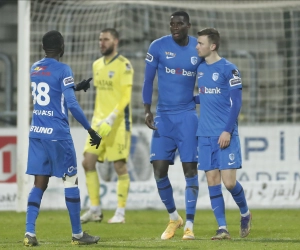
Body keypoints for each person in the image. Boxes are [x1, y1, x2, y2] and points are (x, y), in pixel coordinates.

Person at [24, 30, 102, 247]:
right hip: (58, 135)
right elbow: (72, 104)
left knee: (39, 182)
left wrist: (75, 87)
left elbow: (51, 91)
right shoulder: (63, 68)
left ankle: (29, 233)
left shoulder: (35, 68)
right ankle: (77, 235)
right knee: (71, 180)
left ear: (43, 48)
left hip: (37, 133)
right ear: (62, 48)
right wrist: (90, 129)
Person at [142, 11, 201, 240]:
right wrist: (147, 110)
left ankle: (190, 225)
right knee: (158, 169)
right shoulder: (157, 46)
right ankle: (174, 217)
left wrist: (195, 100)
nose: (174, 27)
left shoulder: (198, 49)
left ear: (188, 25)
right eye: (172, 24)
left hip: (187, 117)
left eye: (179, 24)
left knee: (190, 171)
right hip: (163, 117)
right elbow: (148, 80)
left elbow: (207, 83)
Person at [195, 27, 252, 240]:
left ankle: (245, 213)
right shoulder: (200, 68)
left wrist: (227, 130)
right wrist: (190, 100)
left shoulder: (230, 69)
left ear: (213, 46)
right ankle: (222, 228)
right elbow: (207, 95)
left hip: (224, 134)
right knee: (212, 181)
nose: (197, 46)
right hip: (205, 135)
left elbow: (236, 102)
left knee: (229, 183)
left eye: (200, 43)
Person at [80, 28, 133, 224]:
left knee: (119, 166)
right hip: (98, 125)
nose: (101, 42)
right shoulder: (96, 65)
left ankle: (120, 212)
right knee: (88, 162)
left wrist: (111, 118)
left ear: (116, 42)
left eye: (106, 39)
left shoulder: (124, 65)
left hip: (117, 124)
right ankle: (95, 209)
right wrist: (100, 120)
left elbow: (126, 97)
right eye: (100, 39)